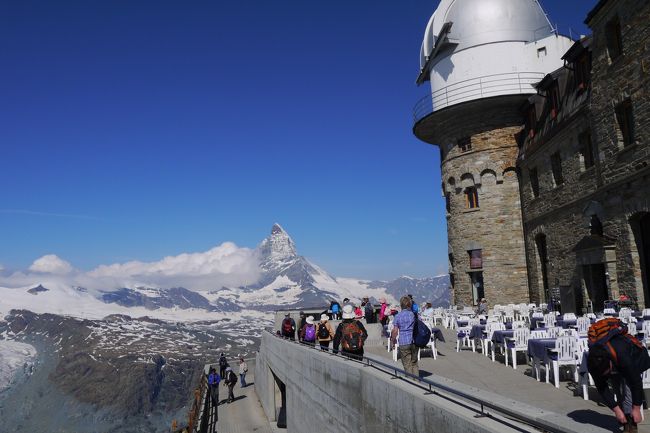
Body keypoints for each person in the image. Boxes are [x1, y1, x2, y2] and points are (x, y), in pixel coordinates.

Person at [587, 322, 650, 432]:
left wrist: (636, 408)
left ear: (610, 364)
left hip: (634, 359)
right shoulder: (592, 364)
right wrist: (616, 409)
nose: (607, 376)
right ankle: (624, 420)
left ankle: (632, 425)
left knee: (628, 393)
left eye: (607, 372)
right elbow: (602, 388)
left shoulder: (623, 356)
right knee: (618, 391)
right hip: (615, 363)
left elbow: (636, 382)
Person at [391, 295, 419, 377]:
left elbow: (395, 331)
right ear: (409, 305)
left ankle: (410, 382)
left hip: (404, 342)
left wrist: (393, 341)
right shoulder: (413, 315)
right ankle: (417, 381)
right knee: (414, 362)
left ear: (401, 305)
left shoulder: (397, 316)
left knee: (407, 364)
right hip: (414, 341)